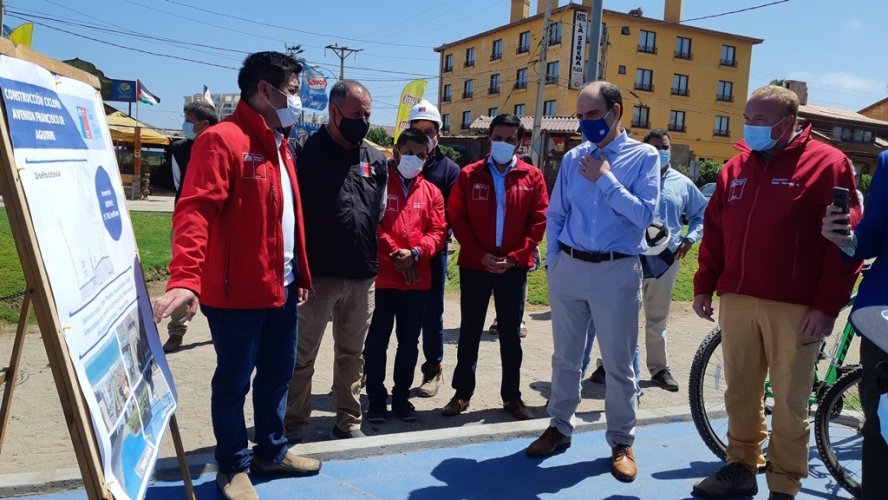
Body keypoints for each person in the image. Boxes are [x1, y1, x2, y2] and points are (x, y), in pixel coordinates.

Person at [152, 51, 321, 500]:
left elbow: (288, 217)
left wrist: (301, 273)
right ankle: (232, 466)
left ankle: (271, 450)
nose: (297, 100)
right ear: (265, 89)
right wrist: (185, 276)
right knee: (233, 383)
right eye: (292, 91)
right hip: (235, 295)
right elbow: (195, 211)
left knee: (277, 375)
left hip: (282, 288)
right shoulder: (222, 141)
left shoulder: (281, 145)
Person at [692, 85, 861, 500]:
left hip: (795, 306)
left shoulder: (828, 164)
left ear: (787, 124)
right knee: (740, 393)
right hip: (738, 299)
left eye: (759, 120)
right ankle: (740, 466)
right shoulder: (736, 168)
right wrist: (704, 285)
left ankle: (784, 485)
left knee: (789, 402)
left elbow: (843, 244)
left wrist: (827, 306)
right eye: (747, 118)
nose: (749, 127)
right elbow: (715, 232)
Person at [526, 81, 659, 485]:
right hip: (570, 267)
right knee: (565, 358)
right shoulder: (573, 158)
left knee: (619, 363)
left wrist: (605, 179)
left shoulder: (644, 156)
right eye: (580, 117)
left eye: (593, 115)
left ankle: (621, 440)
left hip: (616, 270)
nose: (585, 124)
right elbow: (558, 212)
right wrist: (554, 262)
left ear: (615, 112)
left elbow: (644, 216)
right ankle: (559, 426)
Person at [285, 80, 387, 442]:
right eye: (357, 114)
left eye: (368, 114)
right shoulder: (303, 152)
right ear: (334, 111)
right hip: (316, 277)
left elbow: (378, 211)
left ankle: (348, 420)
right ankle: (293, 424)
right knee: (301, 356)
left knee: (352, 354)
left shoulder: (376, 159)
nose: (364, 122)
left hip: (361, 276)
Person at [441, 113, 548, 421]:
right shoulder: (469, 174)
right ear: (490, 138)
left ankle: (512, 397)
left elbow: (538, 221)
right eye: (498, 138)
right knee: (470, 332)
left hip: (513, 268)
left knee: (511, 335)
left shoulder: (532, 177)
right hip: (475, 265)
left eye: (510, 139)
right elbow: (457, 216)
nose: (503, 143)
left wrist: (514, 257)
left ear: (520, 142)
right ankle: (461, 394)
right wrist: (480, 254)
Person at [584, 129, 707, 392]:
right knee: (619, 315)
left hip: (666, 259)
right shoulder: (630, 178)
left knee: (657, 318)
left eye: (665, 147)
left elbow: (702, 214)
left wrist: (690, 238)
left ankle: (659, 368)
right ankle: (608, 364)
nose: (661, 151)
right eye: (655, 147)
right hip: (630, 257)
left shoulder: (683, 184)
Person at [363, 128, 446, 423]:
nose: (415, 159)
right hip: (383, 278)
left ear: (428, 157)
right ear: (397, 152)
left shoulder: (432, 192)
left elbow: (438, 231)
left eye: (421, 155)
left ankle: (400, 399)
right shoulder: (379, 182)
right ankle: (376, 400)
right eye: (409, 153)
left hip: (417, 280)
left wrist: (416, 254)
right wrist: (396, 254)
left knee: (409, 343)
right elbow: (371, 222)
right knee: (377, 342)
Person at [822, 151, 887, 500]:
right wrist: (846, 239)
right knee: (882, 429)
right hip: (884, 322)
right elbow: (873, 233)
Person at [406, 100, 460, 398]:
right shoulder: (399, 164)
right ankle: (371, 371)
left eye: (430, 131)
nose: (425, 136)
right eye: (419, 130)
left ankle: (433, 369)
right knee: (386, 314)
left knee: (432, 315)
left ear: (439, 134)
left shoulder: (449, 170)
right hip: (397, 256)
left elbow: (449, 219)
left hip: (433, 254)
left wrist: (422, 248)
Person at [162, 100, 219, 353]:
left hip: (218, 223)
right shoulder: (180, 149)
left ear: (204, 124)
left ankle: (219, 325)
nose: (184, 125)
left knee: (218, 276)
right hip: (186, 221)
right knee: (182, 274)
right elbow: (179, 184)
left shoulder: (223, 146)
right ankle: (176, 331)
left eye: (189, 120)